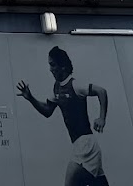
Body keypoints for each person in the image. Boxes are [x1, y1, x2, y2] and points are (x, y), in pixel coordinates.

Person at [16, 46, 110, 186]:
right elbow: (47, 111)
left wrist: (101, 118)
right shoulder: (57, 88)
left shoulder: (76, 85)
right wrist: (31, 98)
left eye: (53, 65)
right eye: (49, 65)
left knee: (70, 182)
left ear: (63, 67)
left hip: (86, 144)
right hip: (79, 144)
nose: (50, 69)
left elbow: (101, 91)